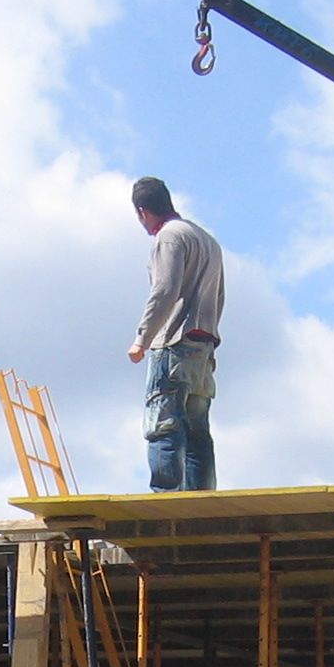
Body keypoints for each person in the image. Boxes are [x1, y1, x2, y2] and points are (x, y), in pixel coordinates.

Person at [126, 175, 225, 493]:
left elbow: (165, 290)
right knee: (197, 430)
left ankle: (165, 500)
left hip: (174, 343)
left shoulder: (169, 237)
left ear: (143, 211)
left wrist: (142, 338)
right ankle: (201, 501)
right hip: (203, 347)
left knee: (163, 425)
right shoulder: (206, 239)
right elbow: (218, 295)